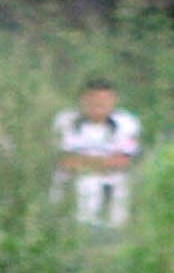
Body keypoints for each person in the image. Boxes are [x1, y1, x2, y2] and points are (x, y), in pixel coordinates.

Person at [52, 79, 140, 228]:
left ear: (114, 100)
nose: (99, 104)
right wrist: (104, 161)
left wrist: (83, 161)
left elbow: (122, 161)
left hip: (111, 192)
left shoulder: (126, 123)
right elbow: (64, 161)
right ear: (82, 99)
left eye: (105, 100)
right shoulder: (65, 121)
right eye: (93, 99)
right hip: (71, 191)